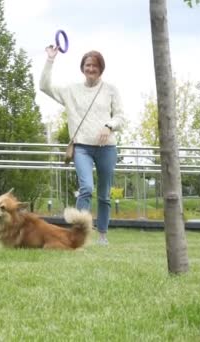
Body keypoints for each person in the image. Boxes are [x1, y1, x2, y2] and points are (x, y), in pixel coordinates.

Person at [40, 46, 125, 246]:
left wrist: (109, 126)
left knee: (104, 194)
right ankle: (77, 235)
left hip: (107, 148)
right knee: (86, 187)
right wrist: (50, 60)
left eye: (95, 65)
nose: (91, 69)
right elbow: (44, 86)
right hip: (82, 148)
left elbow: (121, 117)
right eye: (87, 65)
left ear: (101, 68)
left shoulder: (110, 90)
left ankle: (102, 235)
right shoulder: (71, 91)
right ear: (82, 68)